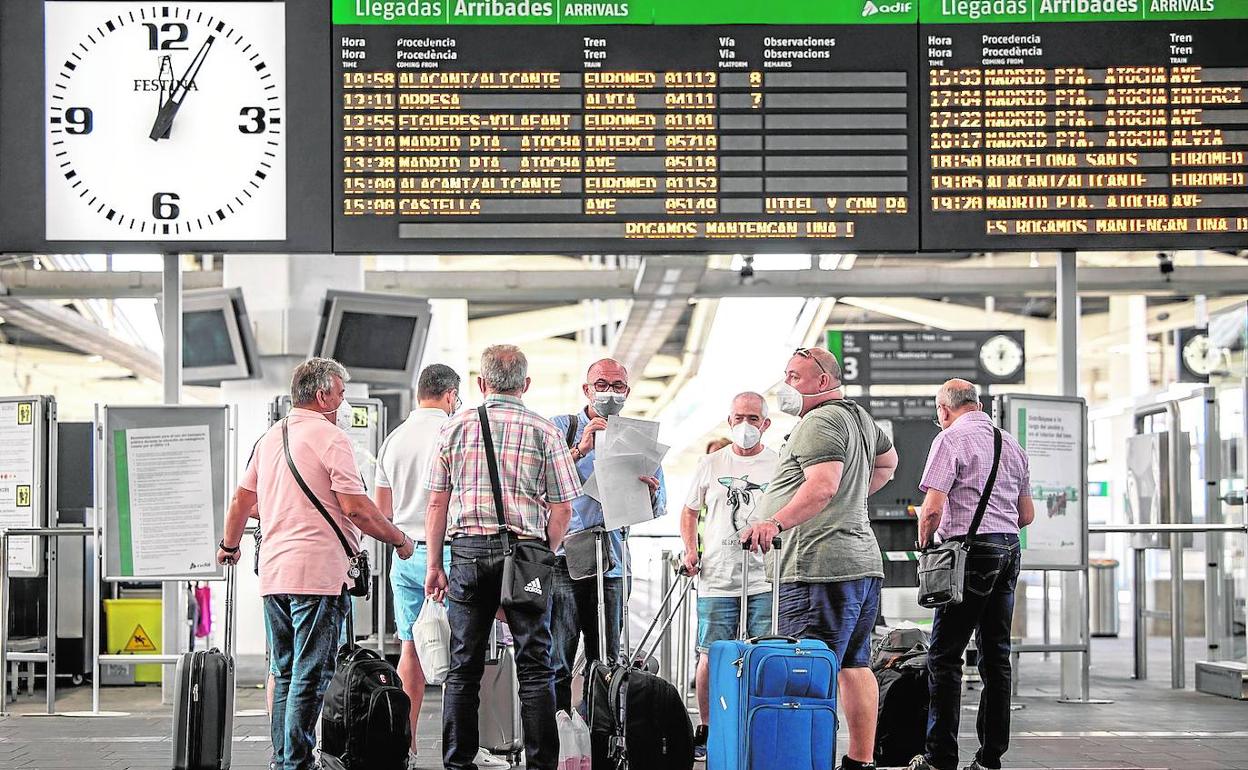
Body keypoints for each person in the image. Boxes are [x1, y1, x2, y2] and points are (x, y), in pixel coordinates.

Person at [216, 357, 414, 770]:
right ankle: (297, 762)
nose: (341, 404)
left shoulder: (269, 438)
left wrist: (229, 546)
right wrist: (399, 539)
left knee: (285, 672)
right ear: (323, 395)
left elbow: (241, 502)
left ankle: (285, 760)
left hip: (273, 573)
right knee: (310, 674)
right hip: (318, 575)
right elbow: (357, 508)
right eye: (340, 394)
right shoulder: (331, 437)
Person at [740, 347, 898, 770]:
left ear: (823, 382)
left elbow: (823, 486)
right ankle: (859, 762)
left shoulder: (820, 420)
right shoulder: (858, 417)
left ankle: (804, 761)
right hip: (859, 563)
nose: (786, 385)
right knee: (853, 665)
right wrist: (853, 497)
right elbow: (888, 463)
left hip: (819, 567)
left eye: (795, 377)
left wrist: (774, 522)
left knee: (806, 671)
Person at [424, 344, 581, 770]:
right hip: (527, 552)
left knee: (463, 666)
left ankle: (458, 763)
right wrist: (542, 556)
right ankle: (540, 764)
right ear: (526, 385)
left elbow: (437, 504)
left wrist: (435, 565)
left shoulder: (454, 429)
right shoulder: (544, 430)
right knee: (536, 666)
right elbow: (564, 508)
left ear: (481, 383)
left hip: (469, 555)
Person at [907, 380, 1034, 770]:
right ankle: (989, 759)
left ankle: (939, 758)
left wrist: (926, 546)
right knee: (996, 658)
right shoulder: (1011, 444)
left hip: (967, 555)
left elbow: (931, 510)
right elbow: (1026, 515)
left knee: (944, 658)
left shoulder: (949, 440)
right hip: (1009, 551)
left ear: (944, 409)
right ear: (979, 405)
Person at [548, 358, 667, 713]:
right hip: (565, 559)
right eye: (602, 384)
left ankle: (599, 736)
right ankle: (558, 741)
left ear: (627, 392)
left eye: (617, 386)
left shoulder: (636, 437)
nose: (609, 393)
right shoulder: (561, 428)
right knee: (559, 658)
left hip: (612, 560)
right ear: (586, 389)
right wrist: (581, 448)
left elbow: (659, 507)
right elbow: (541, 484)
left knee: (608, 661)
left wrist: (649, 492)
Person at [372, 363, 466, 770]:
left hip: (407, 554)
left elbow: (381, 512)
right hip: (451, 553)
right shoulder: (457, 432)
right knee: (464, 653)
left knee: (411, 647)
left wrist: (405, 541)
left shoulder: (393, 440)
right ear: (450, 395)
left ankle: (406, 750)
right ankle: (460, 748)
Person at [680, 392, 779, 761]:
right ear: (729, 420)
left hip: (764, 578)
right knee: (711, 655)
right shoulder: (711, 463)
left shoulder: (779, 463)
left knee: (764, 653)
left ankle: (760, 724)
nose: (745, 425)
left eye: (753, 418)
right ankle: (708, 728)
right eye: (739, 417)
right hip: (717, 577)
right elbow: (689, 512)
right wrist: (691, 550)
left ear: (765, 423)